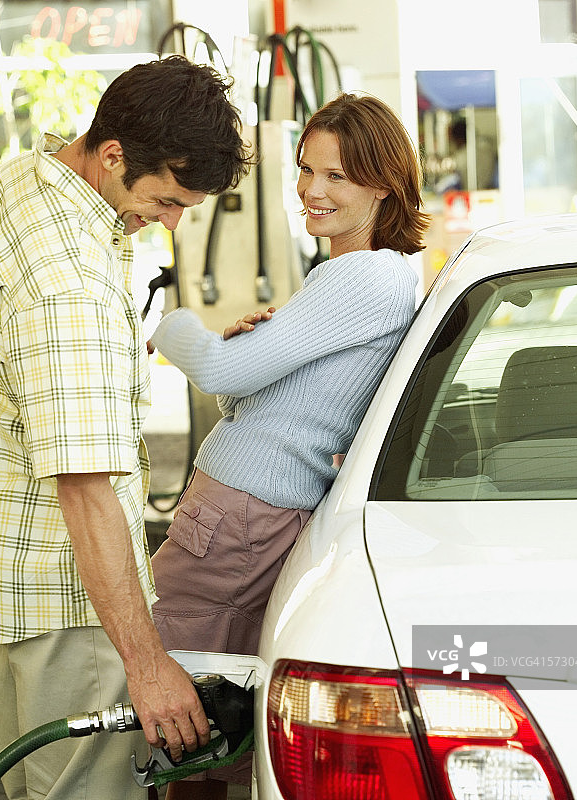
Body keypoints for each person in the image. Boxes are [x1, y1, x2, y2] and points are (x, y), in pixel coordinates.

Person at [0, 55, 252, 800]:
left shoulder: (22, 182)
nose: (174, 222)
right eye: (169, 199)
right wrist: (147, 667)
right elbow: (85, 487)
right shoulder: (69, 284)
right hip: (69, 608)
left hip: (4, 583)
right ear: (114, 154)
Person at [147, 92, 430, 799]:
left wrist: (167, 321)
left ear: (385, 183)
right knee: (219, 712)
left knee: (159, 690)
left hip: (236, 518)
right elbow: (250, 396)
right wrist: (253, 350)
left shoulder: (363, 275)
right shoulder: (370, 275)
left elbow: (215, 370)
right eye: (307, 169)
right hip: (252, 513)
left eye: (337, 175)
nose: (311, 189)